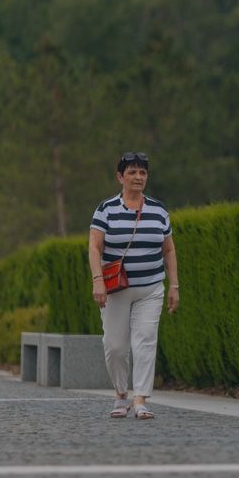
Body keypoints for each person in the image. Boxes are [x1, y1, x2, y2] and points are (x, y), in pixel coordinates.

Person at [88, 151, 179, 420]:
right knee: (115, 346)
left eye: (142, 173)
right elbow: (94, 247)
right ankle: (120, 394)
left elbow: (169, 250)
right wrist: (97, 281)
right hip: (115, 289)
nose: (138, 177)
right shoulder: (106, 209)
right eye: (132, 172)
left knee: (145, 342)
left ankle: (141, 399)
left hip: (151, 287)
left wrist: (174, 285)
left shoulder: (159, 210)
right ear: (120, 177)